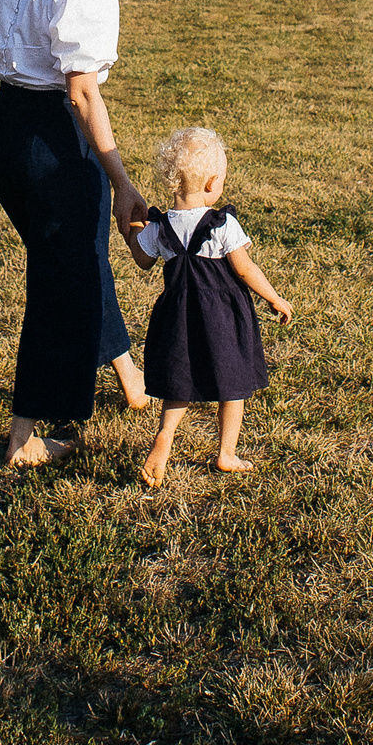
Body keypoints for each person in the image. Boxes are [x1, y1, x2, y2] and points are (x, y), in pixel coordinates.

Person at [0, 0, 154, 469]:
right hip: (55, 141)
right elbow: (82, 92)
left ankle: (130, 378)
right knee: (59, 282)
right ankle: (30, 433)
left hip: (11, 129)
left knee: (77, 257)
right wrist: (122, 179)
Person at [127, 126, 292, 486]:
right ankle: (226, 453)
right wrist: (274, 297)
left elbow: (142, 259)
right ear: (212, 183)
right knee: (233, 387)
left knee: (179, 383)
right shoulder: (221, 224)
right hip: (224, 319)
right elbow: (245, 269)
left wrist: (131, 229)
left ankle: (166, 434)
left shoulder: (160, 227)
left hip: (178, 317)